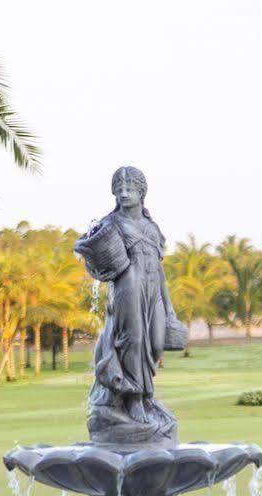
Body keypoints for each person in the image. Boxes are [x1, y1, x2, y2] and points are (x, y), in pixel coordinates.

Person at [74, 165, 186, 443]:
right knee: (133, 341)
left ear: (141, 192)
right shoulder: (111, 224)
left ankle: (147, 396)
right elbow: (97, 261)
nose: (124, 193)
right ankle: (135, 398)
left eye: (130, 189)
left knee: (155, 344)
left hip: (152, 291)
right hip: (128, 288)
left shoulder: (151, 227)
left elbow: (160, 271)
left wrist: (169, 308)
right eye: (119, 189)